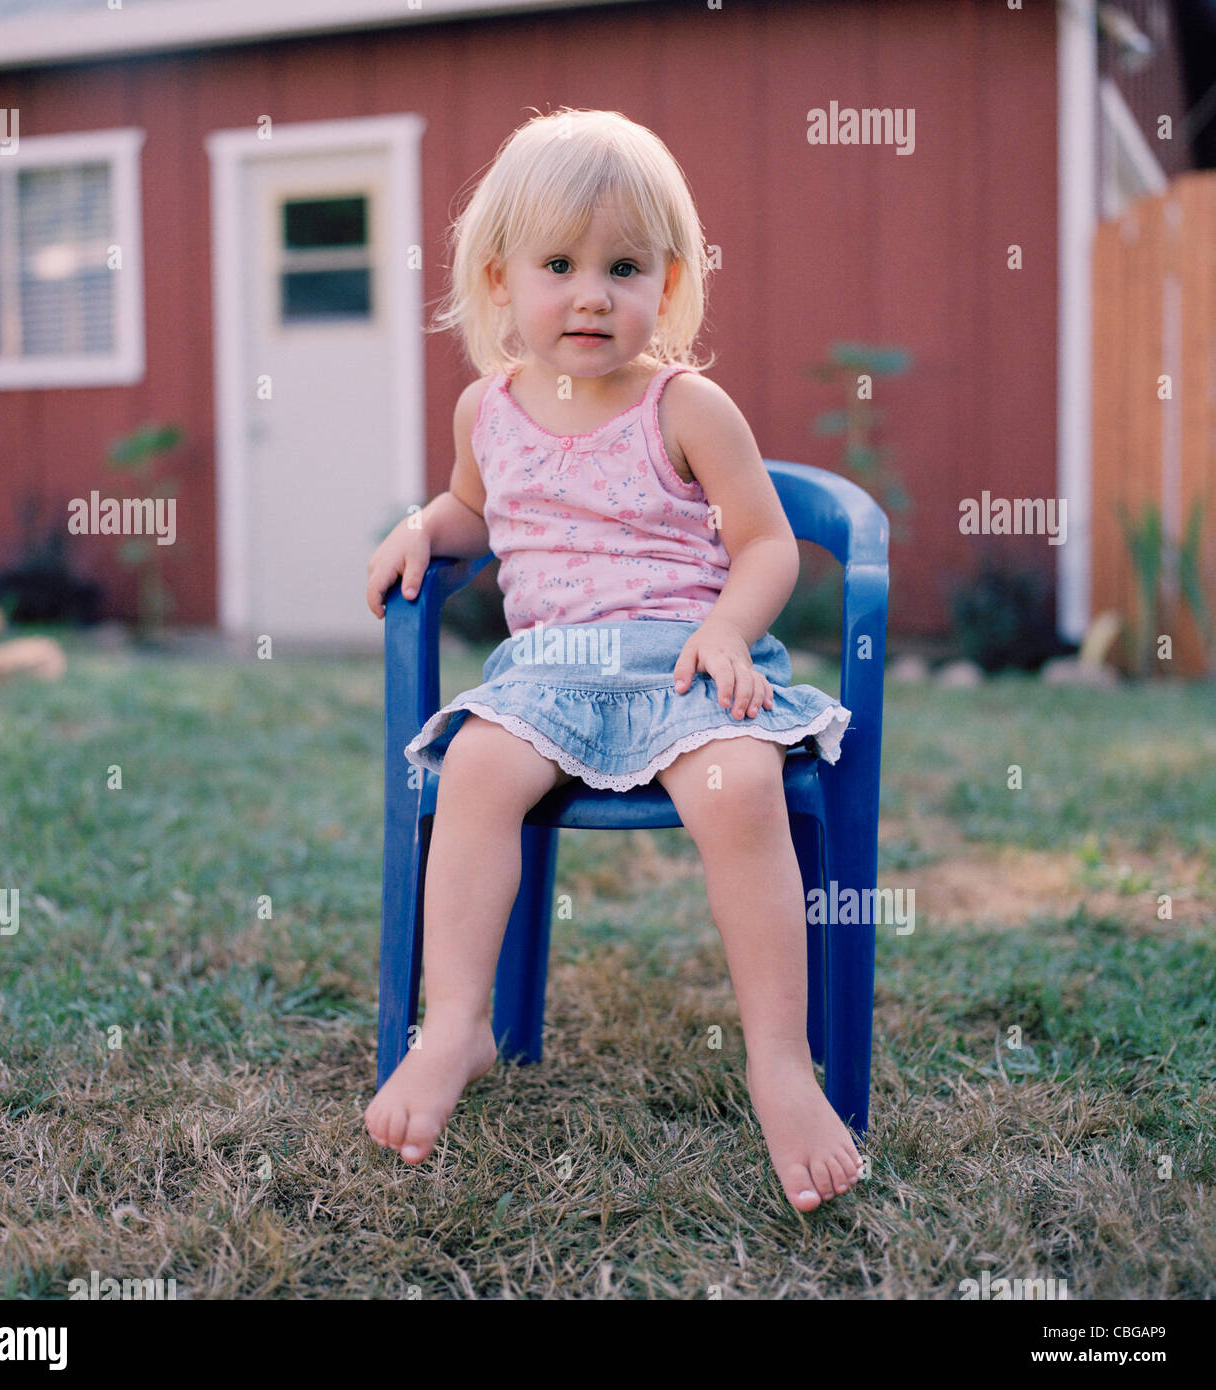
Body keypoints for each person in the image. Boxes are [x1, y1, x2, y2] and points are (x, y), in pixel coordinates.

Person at [364, 108, 861, 1212]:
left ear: (668, 281)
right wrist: (422, 526)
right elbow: (470, 510)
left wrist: (728, 628)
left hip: (681, 662)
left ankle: (780, 1062)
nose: (591, 293)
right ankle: (457, 1024)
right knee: (476, 776)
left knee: (738, 790)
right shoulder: (484, 410)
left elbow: (767, 539)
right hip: (544, 677)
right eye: (559, 264)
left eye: (623, 266)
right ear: (500, 281)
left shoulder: (686, 404)